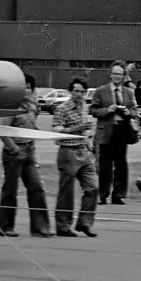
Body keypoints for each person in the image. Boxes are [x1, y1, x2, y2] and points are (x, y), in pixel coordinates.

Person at [0, 75, 52, 237]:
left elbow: (33, 129)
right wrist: (12, 148)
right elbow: (2, 131)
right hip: (14, 152)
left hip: (29, 151)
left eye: (29, 87)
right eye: (23, 87)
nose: (26, 90)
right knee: (10, 190)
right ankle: (5, 226)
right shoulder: (12, 107)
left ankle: (40, 226)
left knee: (36, 187)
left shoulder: (33, 107)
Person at [53, 78, 99, 237]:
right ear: (70, 92)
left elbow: (86, 131)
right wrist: (77, 129)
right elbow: (57, 132)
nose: (79, 95)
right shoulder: (62, 109)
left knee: (92, 187)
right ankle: (63, 225)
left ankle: (85, 222)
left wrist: (89, 145)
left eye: (82, 92)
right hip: (68, 151)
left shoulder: (85, 107)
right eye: (76, 91)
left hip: (84, 150)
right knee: (67, 191)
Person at [92, 62, 136, 204]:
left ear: (124, 76)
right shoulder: (101, 91)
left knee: (121, 163)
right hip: (106, 130)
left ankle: (118, 194)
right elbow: (92, 110)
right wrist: (107, 110)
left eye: (120, 75)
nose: (117, 77)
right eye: (115, 74)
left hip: (122, 129)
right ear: (110, 75)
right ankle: (103, 194)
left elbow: (135, 111)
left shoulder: (129, 92)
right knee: (105, 164)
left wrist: (129, 112)